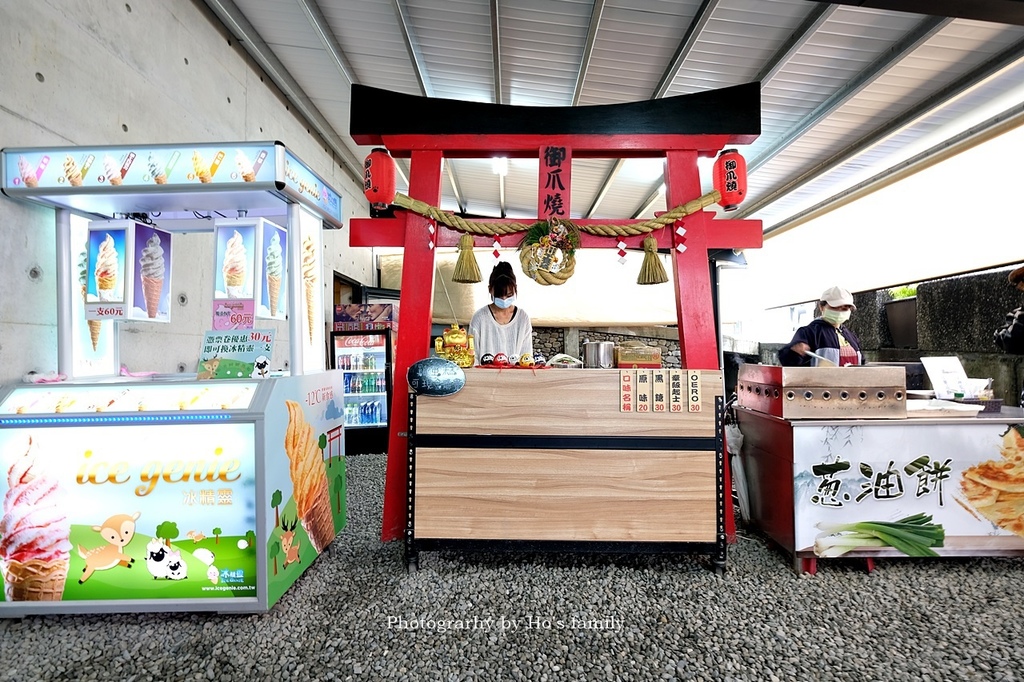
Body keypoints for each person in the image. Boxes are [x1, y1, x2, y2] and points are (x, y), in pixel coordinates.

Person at [778, 286, 864, 367]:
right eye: (834, 307)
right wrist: (794, 352)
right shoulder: (809, 332)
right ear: (821, 307)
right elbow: (787, 361)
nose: (839, 311)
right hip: (819, 382)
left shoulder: (850, 336)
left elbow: (862, 363)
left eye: (845, 308)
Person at [469, 261, 533, 364]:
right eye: (499, 295)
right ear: (490, 290)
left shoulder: (522, 318)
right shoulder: (479, 318)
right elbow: (473, 357)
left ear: (515, 289)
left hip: (516, 377)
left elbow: (526, 356)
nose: (504, 299)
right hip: (485, 377)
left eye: (509, 295)